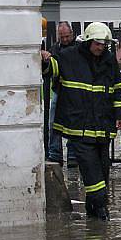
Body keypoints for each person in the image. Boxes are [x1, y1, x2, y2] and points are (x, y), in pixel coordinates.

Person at [41, 22, 121, 221]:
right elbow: (51, 69)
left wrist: (120, 114)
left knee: (103, 171)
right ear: (88, 42)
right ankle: (101, 210)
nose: (101, 48)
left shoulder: (108, 60)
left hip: (103, 129)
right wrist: (44, 59)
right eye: (97, 44)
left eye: (104, 44)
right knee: (91, 170)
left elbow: (118, 88)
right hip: (79, 127)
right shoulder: (70, 57)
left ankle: (93, 213)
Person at [46, 21, 78, 167]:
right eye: (62, 36)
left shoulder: (78, 47)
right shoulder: (55, 48)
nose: (65, 39)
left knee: (73, 123)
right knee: (54, 122)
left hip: (74, 91)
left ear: (72, 34)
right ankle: (55, 153)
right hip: (59, 89)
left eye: (67, 36)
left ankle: (72, 154)